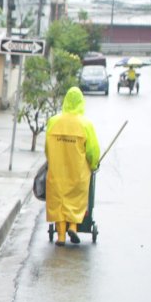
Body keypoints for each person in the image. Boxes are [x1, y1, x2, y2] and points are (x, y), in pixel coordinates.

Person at [45, 87, 101, 246]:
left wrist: (52, 160)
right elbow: (92, 151)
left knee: (59, 202)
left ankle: (61, 236)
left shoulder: (53, 122)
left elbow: (47, 149)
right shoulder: (85, 125)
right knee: (75, 201)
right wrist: (94, 164)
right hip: (78, 173)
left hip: (57, 173)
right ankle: (73, 228)